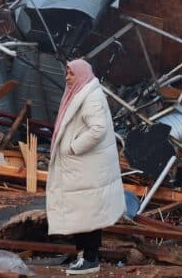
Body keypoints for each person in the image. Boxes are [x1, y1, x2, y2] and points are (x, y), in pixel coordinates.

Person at [47, 59, 125, 275]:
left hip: (86, 167)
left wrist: (73, 148)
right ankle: (83, 255)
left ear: (81, 74)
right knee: (81, 213)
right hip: (81, 169)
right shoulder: (79, 92)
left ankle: (91, 259)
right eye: (66, 73)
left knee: (89, 215)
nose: (67, 77)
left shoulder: (90, 96)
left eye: (71, 73)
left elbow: (98, 129)